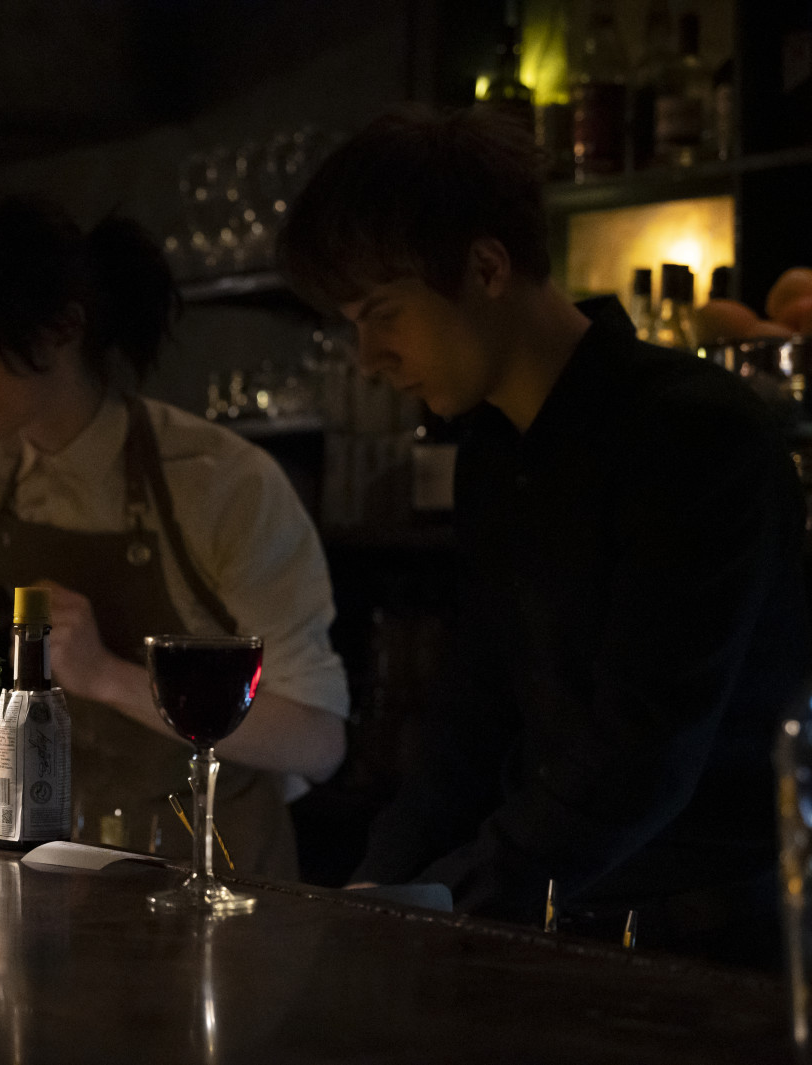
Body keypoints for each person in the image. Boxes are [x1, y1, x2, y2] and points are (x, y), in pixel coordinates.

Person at [280, 106, 810, 967]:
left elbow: (643, 749)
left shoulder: (693, 434)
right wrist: (380, 881)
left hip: (707, 952)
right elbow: (474, 703)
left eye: (383, 313)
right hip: (556, 927)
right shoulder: (495, 451)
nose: (368, 356)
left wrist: (444, 896)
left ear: (487, 267)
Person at [0, 195, 349, 879]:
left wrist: (105, 675)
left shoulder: (218, 480)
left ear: (62, 329)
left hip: (215, 870)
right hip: (61, 859)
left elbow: (315, 738)